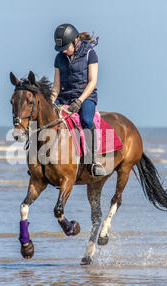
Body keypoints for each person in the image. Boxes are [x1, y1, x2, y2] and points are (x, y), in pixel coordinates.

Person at [50, 23, 106, 176]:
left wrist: (80, 101)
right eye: (61, 49)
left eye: (66, 47)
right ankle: (38, 162)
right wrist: (51, 102)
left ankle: (93, 160)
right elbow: (56, 86)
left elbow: (92, 81)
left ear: (75, 41)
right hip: (64, 97)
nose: (63, 51)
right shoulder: (59, 58)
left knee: (87, 120)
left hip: (86, 96)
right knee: (45, 118)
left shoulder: (90, 53)